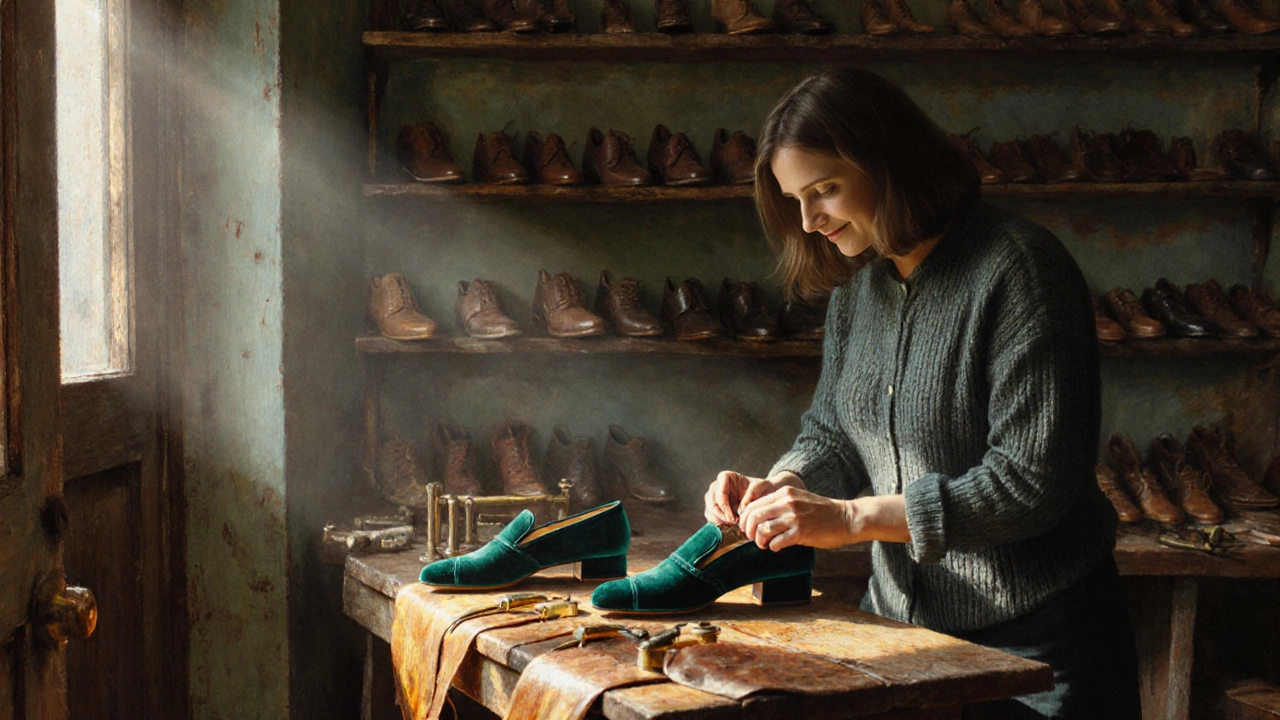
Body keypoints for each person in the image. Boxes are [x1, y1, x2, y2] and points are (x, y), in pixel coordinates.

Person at [703, 67, 1141, 719]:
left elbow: (1031, 482)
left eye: (824, 190)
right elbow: (833, 433)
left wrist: (850, 519)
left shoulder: (1019, 269)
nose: (809, 219)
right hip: (903, 630)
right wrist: (782, 485)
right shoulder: (861, 288)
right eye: (796, 199)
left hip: (1040, 647)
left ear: (891, 165)